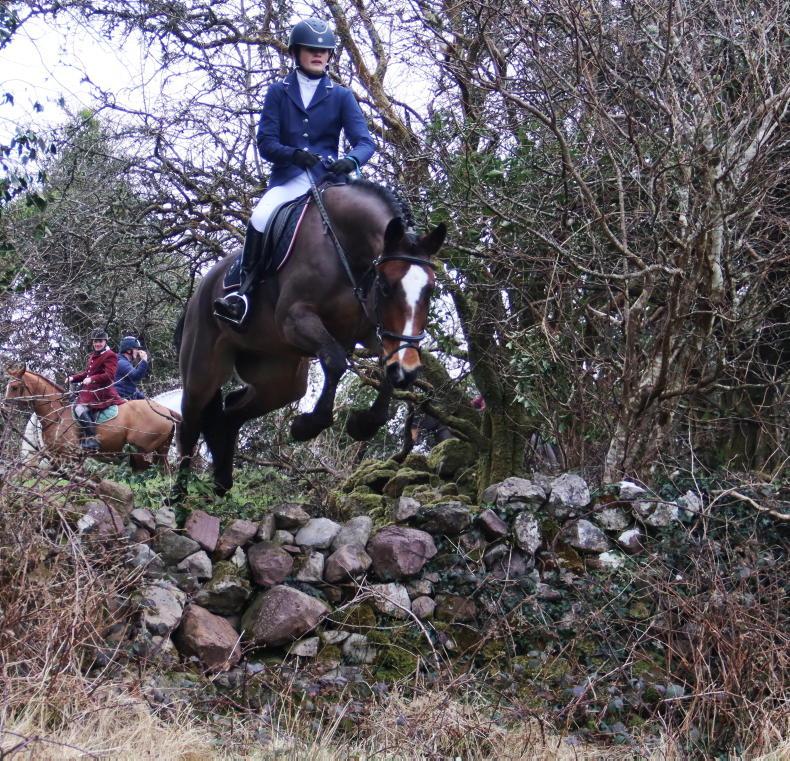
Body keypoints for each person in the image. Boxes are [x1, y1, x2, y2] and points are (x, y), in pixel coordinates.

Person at [213, 17, 376, 327]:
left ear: (330, 55)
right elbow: (266, 142)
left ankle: (374, 298)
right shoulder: (278, 92)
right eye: (311, 49)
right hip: (291, 177)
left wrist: (351, 161)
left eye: (323, 50)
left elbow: (365, 142)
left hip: (331, 179)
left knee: (369, 221)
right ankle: (243, 293)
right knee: (261, 216)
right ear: (296, 52)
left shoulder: (342, 95)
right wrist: (293, 155)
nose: (318, 54)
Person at [68, 328, 125, 450]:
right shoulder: (93, 356)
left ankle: (92, 439)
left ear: (105, 342)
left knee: (79, 408)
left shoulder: (110, 355)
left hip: (101, 391)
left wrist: (92, 379)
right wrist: (73, 378)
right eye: (95, 341)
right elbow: (87, 374)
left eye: (100, 341)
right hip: (90, 391)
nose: (97, 344)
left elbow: (109, 375)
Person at [114, 335, 150, 400]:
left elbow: (131, 387)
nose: (138, 351)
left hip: (127, 397)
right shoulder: (122, 363)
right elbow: (136, 376)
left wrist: (143, 397)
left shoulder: (124, 361)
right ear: (129, 350)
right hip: (123, 399)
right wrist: (144, 360)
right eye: (136, 349)